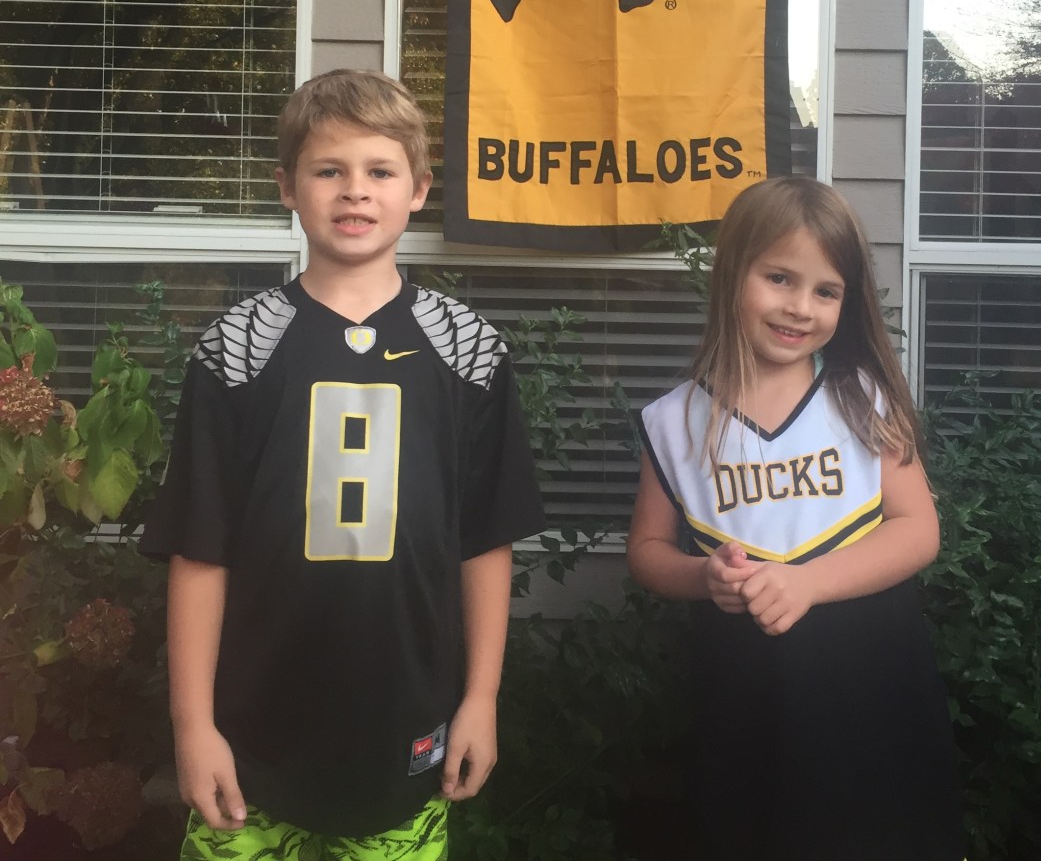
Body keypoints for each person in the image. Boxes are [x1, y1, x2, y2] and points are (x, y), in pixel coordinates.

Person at [140, 69, 545, 861]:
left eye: (380, 171)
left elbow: (485, 541)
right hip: (252, 737)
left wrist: (482, 698)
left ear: (419, 189)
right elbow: (199, 550)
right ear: (287, 187)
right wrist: (193, 726)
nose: (355, 190)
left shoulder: (468, 351)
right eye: (329, 169)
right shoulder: (236, 350)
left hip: (406, 728)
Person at [628, 175, 964, 860]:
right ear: (733, 273)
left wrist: (808, 582)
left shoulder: (863, 399)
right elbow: (648, 548)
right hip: (745, 700)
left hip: (872, 690)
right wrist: (702, 577)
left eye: (826, 291)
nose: (800, 307)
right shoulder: (674, 420)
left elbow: (918, 531)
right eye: (779, 278)